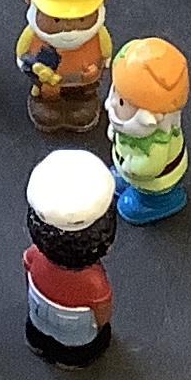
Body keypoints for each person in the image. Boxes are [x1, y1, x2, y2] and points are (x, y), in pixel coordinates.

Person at [22, 149, 120, 365]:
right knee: (85, 346)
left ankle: (37, 341)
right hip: (77, 332)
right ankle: (72, 360)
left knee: (39, 331)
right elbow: (102, 313)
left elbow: (27, 267)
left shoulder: (35, 255)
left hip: (39, 314)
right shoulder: (93, 282)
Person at [16, 0, 111, 136]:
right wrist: (32, 68)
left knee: (82, 105)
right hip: (48, 86)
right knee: (48, 106)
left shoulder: (99, 36)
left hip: (84, 84)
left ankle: (82, 103)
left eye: (81, 19)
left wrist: (96, 70)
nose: (68, 28)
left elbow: (107, 55)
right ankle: (48, 104)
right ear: (31, 2)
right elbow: (22, 55)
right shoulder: (32, 36)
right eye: (57, 19)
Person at [106, 38, 189, 221]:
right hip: (127, 162)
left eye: (122, 102)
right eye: (116, 93)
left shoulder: (157, 142)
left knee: (152, 190)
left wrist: (134, 169)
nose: (114, 103)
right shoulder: (131, 128)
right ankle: (126, 180)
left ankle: (157, 202)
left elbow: (151, 166)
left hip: (153, 180)